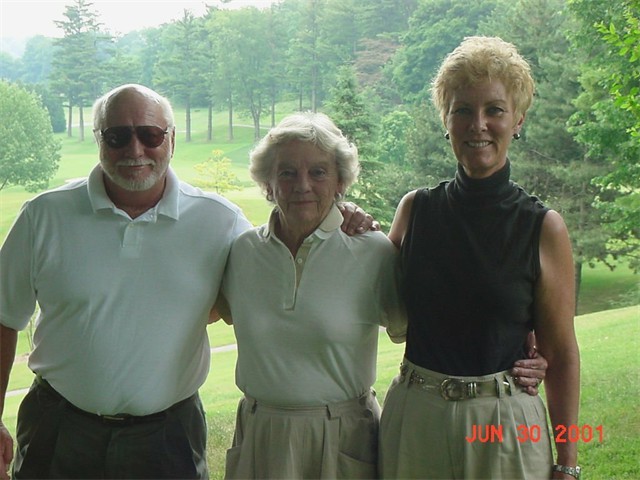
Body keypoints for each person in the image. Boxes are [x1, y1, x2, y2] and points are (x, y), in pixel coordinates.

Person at [0, 84, 372, 480]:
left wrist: (339, 210)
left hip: (168, 435)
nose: (135, 150)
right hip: (59, 428)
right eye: (118, 136)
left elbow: (261, 279)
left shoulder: (220, 221)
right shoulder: (43, 216)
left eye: (150, 134)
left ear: (171, 139)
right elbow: (4, 319)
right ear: (99, 140)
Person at [214, 112, 547, 479]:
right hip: (261, 434)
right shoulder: (241, 252)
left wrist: (522, 344)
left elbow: (433, 323)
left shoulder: (371, 252)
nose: (302, 185)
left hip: (342, 435)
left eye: (319, 172)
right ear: (267, 183)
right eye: (287, 172)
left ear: (340, 181)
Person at [379, 36, 580, 479]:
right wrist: (350, 218)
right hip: (417, 421)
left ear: (519, 120)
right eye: (462, 110)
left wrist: (568, 464)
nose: (478, 125)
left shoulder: (542, 228)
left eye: (495, 110)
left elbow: (561, 355)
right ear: (445, 121)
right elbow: (372, 290)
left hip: (504, 424)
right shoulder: (415, 211)